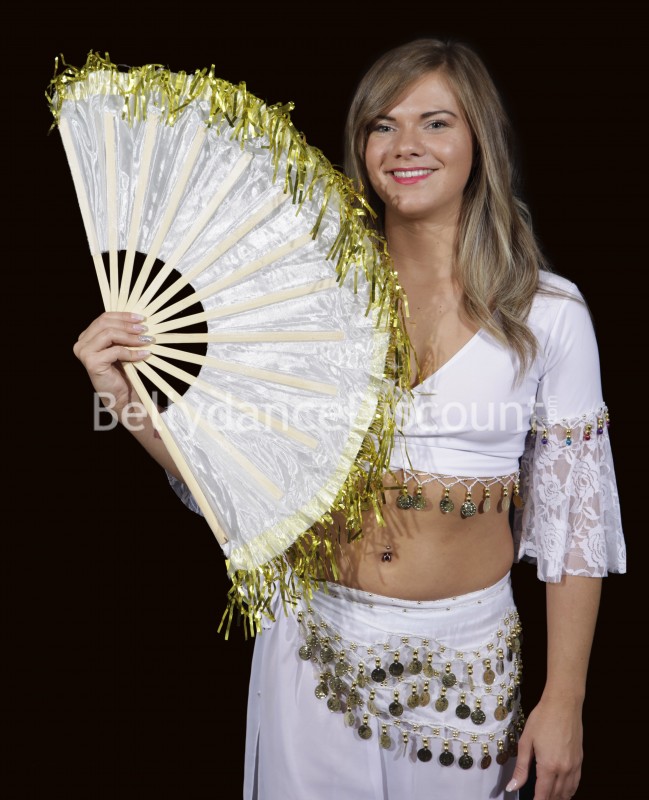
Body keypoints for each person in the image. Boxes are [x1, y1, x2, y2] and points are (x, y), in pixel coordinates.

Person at [73, 39, 625, 800]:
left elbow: (575, 529)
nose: (405, 146)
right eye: (381, 126)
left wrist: (565, 700)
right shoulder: (308, 299)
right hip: (312, 650)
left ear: (480, 142)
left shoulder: (548, 313)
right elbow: (238, 485)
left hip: (463, 668)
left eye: (435, 122)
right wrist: (120, 397)